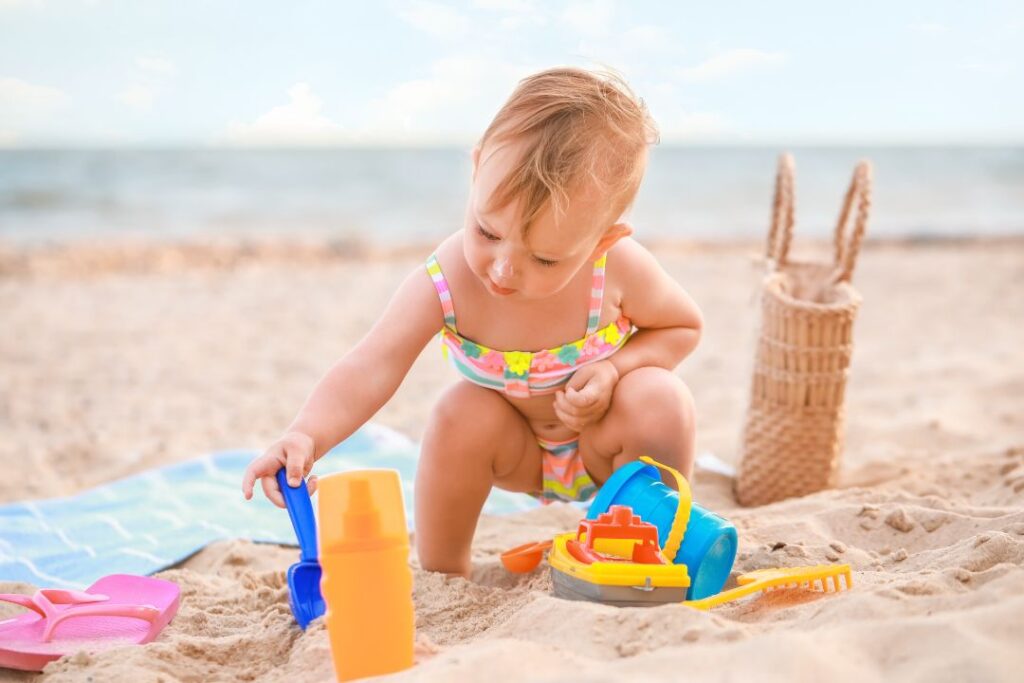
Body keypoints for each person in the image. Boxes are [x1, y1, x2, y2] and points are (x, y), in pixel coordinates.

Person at [242, 67, 703, 577]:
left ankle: (644, 556)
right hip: (517, 454)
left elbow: (682, 326)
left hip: (607, 449)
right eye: (487, 231)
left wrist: (618, 367)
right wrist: (306, 434)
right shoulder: (447, 280)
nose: (504, 269)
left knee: (661, 397)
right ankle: (444, 571)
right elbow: (373, 364)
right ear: (477, 168)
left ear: (601, 242)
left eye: (545, 259)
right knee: (459, 411)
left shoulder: (616, 270)